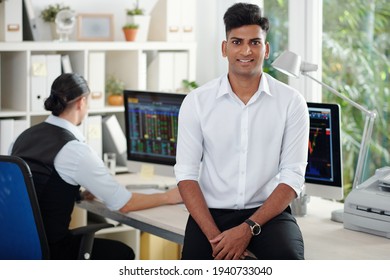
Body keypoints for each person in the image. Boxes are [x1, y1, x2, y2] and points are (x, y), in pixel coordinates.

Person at [174, 3, 309, 260]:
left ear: (266, 49)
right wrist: (217, 239)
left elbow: (293, 176)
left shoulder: (291, 102)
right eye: (237, 42)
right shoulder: (197, 102)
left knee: (289, 259)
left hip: (268, 214)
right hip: (211, 214)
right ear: (225, 49)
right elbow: (186, 175)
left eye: (255, 42)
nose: (246, 50)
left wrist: (248, 228)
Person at [10, 73, 182, 260]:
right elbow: (124, 204)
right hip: (53, 251)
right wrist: (169, 196)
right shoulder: (74, 149)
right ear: (82, 102)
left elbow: (34, 187)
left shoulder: (22, 138)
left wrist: (77, 194)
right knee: (122, 253)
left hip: (18, 247)